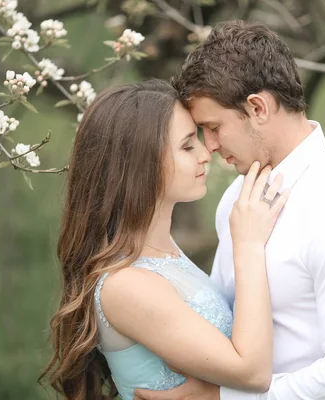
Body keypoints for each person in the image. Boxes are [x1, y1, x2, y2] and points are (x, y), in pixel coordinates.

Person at [134, 20, 325, 400]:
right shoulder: (235, 198)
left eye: (213, 127)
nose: (208, 146)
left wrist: (221, 398)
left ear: (258, 107)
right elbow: (225, 325)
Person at [40, 79, 290, 400]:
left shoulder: (164, 252)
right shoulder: (126, 284)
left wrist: (212, 393)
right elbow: (253, 373)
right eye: (187, 146)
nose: (206, 153)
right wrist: (248, 246)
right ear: (140, 165)